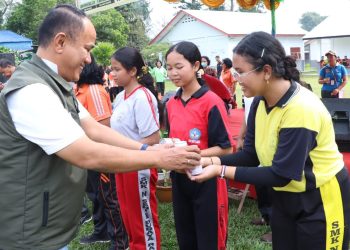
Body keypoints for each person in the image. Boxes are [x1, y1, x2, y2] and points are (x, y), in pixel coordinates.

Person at [0, 5, 200, 250]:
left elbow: (94, 129)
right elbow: (86, 152)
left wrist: (148, 151)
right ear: (60, 42)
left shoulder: (54, 84)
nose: (89, 59)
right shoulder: (32, 90)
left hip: (44, 227)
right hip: (28, 233)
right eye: (86, 49)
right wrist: (160, 158)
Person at [192, 31, 350, 250]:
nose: (235, 80)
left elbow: (282, 173)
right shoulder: (259, 102)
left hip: (320, 197)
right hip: (285, 197)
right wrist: (210, 161)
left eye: (240, 72)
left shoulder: (301, 108)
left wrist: (219, 171)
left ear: (266, 71)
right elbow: (251, 155)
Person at [165, 41, 234, 250]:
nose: (173, 73)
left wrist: (192, 156)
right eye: (169, 68)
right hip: (180, 179)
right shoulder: (171, 103)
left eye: (179, 66)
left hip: (208, 180)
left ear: (196, 66)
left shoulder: (211, 101)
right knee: (186, 238)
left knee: (209, 240)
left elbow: (226, 148)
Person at [110, 47, 162, 250]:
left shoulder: (142, 97)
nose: (112, 74)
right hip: (122, 162)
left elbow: (153, 137)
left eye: (117, 69)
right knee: (128, 214)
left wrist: (129, 151)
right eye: (111, 69)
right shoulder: (121, 97)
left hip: (140, 166)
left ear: (132, 71)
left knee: (142, 217)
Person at [75, 55, 128, 249]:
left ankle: (119, 241)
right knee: (95, 195)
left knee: (109, 198)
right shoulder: (79, 89)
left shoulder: (94, 91)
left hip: (99, 153)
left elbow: (104, 126)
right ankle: (101, 230)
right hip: (86, 152)